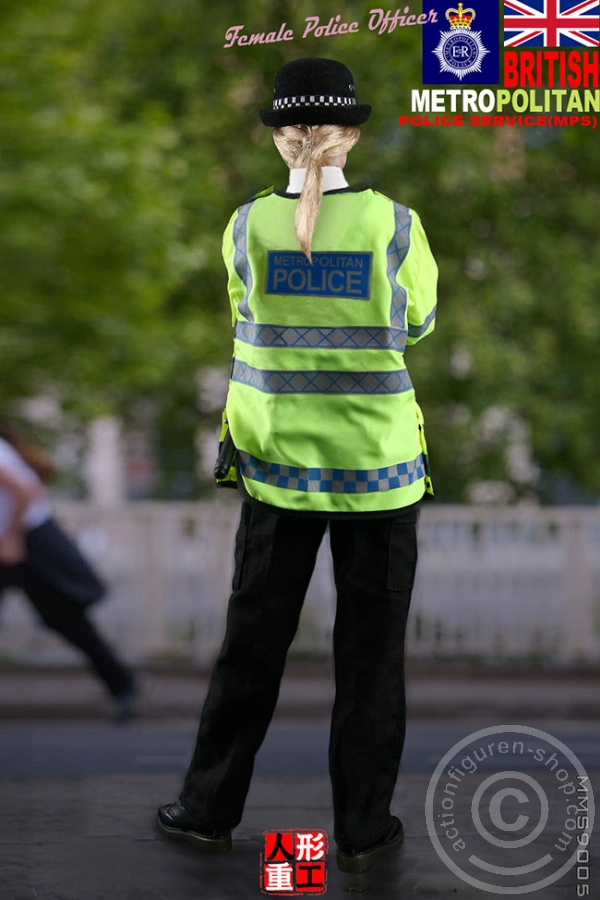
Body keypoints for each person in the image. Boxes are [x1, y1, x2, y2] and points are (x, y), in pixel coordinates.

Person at [157, 57, 438, 872]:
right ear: (350, 134)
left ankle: (208, 811)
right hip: (380, 476)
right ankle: (359, 836)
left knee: (251, 648)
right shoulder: (397, 226)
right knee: (372, 663)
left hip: (276, 470)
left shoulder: (244, 228)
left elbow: (246, 323)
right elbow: (415, 324)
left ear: (283, 140)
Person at [0, 421, 137, 720]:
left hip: (25, 543)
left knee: (65, 619)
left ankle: (124, 686)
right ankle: (123, 686)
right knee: (64, 619)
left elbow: (26, 492)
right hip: (21, 543)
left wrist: (10, 539)